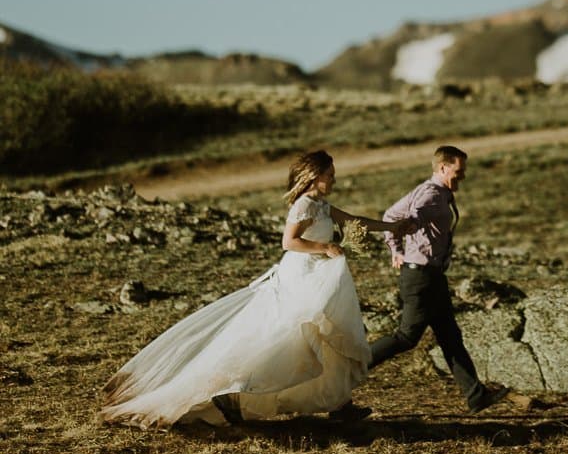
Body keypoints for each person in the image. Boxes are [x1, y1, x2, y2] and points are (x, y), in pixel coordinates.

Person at [101, 151, 408, 427]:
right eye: (330, 175)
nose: (334, 180)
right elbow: (289, 242)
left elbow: (354, 220)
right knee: (287, 338)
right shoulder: (303, 204)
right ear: (314, 176)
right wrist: (324, 246)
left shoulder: (321, 204)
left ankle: (340, 404)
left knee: (325, 336)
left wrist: (392, 228)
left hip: (318, 276)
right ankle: (233, 395)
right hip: (301, 276)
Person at [365, 145, 532, 413]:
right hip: (420, 277)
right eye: (458, 171)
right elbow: (403, 219)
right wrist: (399, 246)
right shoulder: (431, 195)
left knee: (450, 336)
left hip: (432, 276)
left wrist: (397, 249)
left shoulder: (434, 191)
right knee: (407, 337)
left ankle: (476, 395)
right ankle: (355, 365)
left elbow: (390, 215)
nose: (462, 178)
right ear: (443, 168)